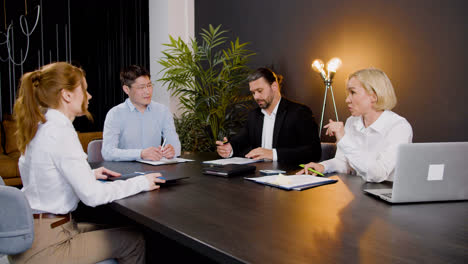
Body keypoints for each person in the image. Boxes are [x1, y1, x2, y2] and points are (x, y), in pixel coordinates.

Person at [11, 62, 165, 264]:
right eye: (84, 89)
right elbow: (92, 196)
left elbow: (44, 177)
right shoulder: (60, 131)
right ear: (67, 95)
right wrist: (141, 182)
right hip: (48, 244)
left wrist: (88, 175)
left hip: (34, 232)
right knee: (133, 240)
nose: (89, 96)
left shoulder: (42, 126)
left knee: (118, 229)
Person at [297, 68, 413, 182]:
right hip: (359, 191)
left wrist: (343, 138)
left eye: (353, 92)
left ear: (374, 96)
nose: (347, 100)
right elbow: (344, 163)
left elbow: (378, 174)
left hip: (386, 194)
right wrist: (323, 166)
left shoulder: (399, 127)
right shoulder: (352, 121)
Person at [216, 67, 321, 164]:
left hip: (288, 178)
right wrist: (229, 148)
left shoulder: (299, 112)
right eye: (253, 93)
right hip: (257, 177)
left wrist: (273, 154)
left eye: (260, 91)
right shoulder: (254, 116)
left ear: (274, 86)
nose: (256, 97)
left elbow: (314, 152)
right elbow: (241, 140)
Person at [102, 65, 181, 161]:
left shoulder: (162, 111)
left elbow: (176, 146)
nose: (147, 91)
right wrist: (140, 154)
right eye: (141, 87)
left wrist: (172, 150)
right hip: (127, 171)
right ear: (126, 89)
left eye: (149, 85)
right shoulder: (115, 114)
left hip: (155, 170)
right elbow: (107, 152)